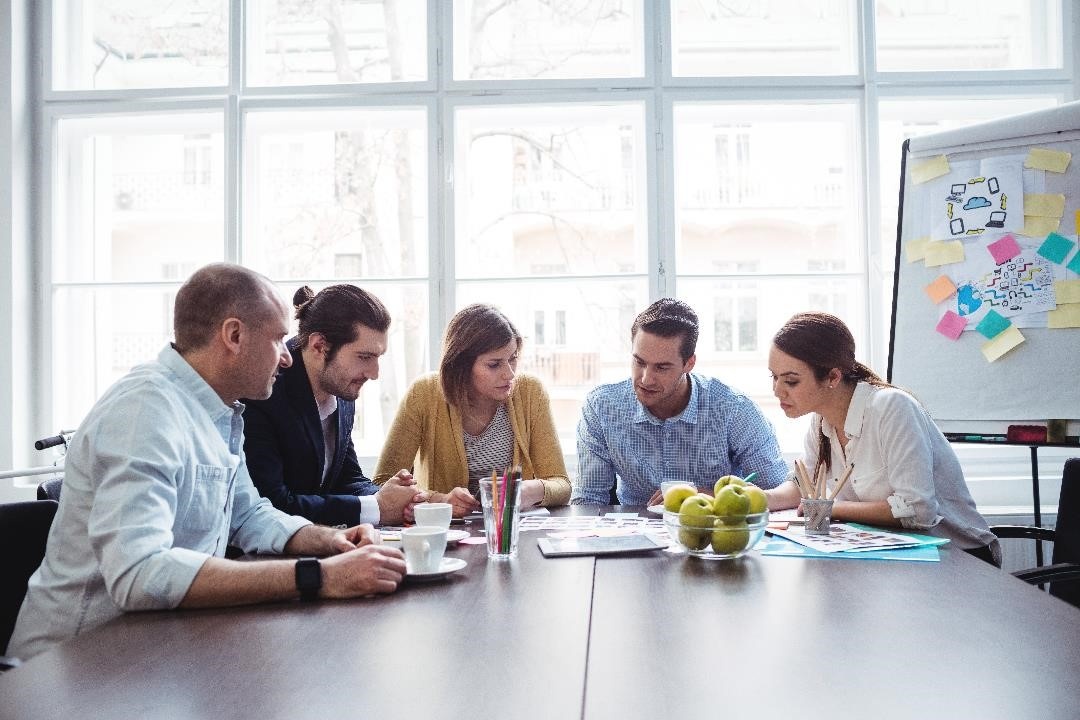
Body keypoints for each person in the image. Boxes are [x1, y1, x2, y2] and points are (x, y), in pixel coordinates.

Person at [8, 264, 407, 661]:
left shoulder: (219, 411)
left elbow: (247, 514)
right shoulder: (145, 411)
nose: (287, 359)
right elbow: (140, 575)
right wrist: (318, 577)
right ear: (234, 336)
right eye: (278, 340)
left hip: (157, 650)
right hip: (74, 667)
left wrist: (330, 541)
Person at [765, 311, 1001, 565]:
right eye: (774, 377)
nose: (777, 390)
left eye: (790, 381)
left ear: (833, 377)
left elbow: (917, 510)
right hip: (897, 559)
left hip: (959, 559)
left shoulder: (892, 408)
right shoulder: (821, 419)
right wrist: (758, 499)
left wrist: (830, 508)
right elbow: (804, 486)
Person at [572, 298, 788, 506]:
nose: (646, 379)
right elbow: (588, 501)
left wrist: (713, 495)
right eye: (639, 362)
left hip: (713, 534)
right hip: (635, 535)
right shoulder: (602, 407)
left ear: (689, 363)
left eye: (662, 367)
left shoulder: (734, 409)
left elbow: (778, 492)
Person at [242, 284, 424, 527]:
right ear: (319, 346)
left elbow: (347, 478)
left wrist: (396, 498)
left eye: (378, 357)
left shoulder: (341, 387)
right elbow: (272, 504)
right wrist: (376, 507)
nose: (374, 373)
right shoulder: (263, 390)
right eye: (364, 357)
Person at [374, 303, 570, 517]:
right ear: (461, 366)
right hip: (445, 534)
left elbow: (561, 484)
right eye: (494, 365)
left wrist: (532, 490)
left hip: (511, 533)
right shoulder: (424, 394)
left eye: (513, 358)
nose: (510, 374)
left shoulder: (530, 392)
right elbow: (382, 484)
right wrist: (439, 500)